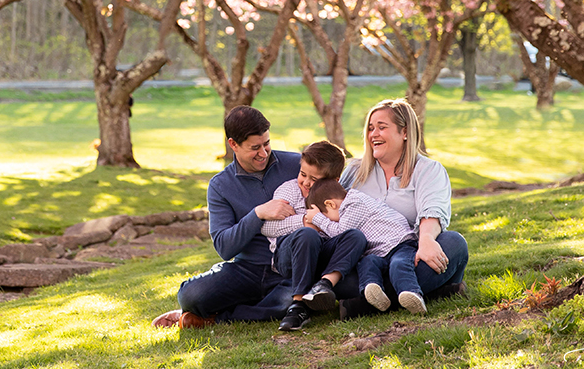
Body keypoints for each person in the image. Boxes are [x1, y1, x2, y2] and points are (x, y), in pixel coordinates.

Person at [151, 106, 352, 328]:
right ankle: (231, 305)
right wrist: (258, 213)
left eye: (266, 144)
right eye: (254, 148)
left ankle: (215, 318)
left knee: (292, 302)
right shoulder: (220, 186)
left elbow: (334, 196)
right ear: (233, 145)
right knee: (191, 296)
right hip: (248, 269)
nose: (264, 153)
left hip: (292, 266)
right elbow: (224, 248)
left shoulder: (297, 165)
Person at [338, 99, 468, 314]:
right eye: (370, 128)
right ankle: (427, 292)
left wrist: (426, 241)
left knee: (454, 243)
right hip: (366, 261)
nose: (373, 134)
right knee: (349, 271)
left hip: (408, 256)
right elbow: (332, 208)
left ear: (404, 132)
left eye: (382, 127)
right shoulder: (354, 170)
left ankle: (362, 302)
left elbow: (432, 211)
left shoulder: (428, 169)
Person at [260, 141, 368, 331]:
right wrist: (305, 222)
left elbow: (342, 230)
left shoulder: (338, 196)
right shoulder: (289, 191)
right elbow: (267, 228)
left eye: (315, 179)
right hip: (289, 256)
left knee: (356, 236)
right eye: (303, 174)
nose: (306, 182)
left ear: (333, 181)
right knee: (308, 234)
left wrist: (321, 223)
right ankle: (298, 306)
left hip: (321, 258)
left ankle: (324, 285)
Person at [304, 177, 424, 314]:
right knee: (367, 263)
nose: (329, 221)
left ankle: (411, 293)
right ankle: (373, 290)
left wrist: (317, 219)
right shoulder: (349, 205)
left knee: (399, 264)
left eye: (327, 216)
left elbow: (341, 232)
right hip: (380, 251)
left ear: (330, 204)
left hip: (399, 243)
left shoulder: (354, 203)